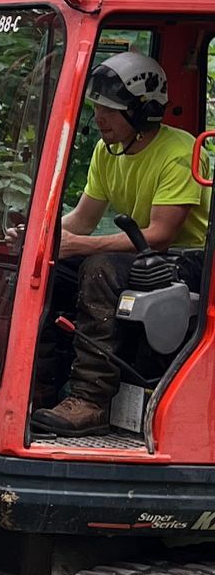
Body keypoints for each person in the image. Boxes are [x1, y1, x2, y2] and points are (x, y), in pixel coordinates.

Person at [35, 50, 208, 432]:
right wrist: (40, 237)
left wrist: (81, 246)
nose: (99, 118)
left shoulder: (178, 152)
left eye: (110, 110)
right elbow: (83, 219)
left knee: (99, 270)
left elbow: (162, 234)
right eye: (97, 108)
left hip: (190, 261)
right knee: (48, 269)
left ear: (142, 112)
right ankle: (41, 388)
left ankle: (90, 401)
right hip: (144, 256)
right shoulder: (106, 151)